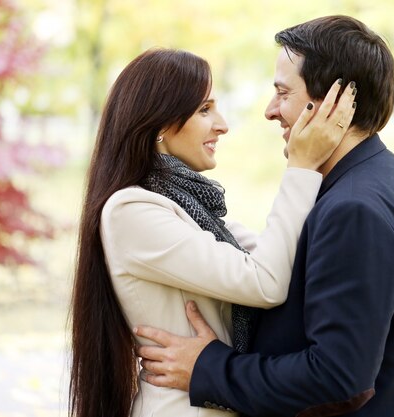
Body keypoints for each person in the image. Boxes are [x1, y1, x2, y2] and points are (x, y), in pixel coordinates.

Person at [135, 15, 394, 417]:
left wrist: (206, 368)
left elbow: (335, 376)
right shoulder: (373, 177)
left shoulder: (355, 208)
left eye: (282, 93)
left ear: (333, 102)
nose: (270, 110)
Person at [69, 48, 357, 417]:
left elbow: (282, 257)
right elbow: (265, 282)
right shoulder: (131, 211)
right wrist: (303, 166)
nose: (222, 124)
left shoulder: (193, 210)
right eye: (204, 110)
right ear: (159, 125)